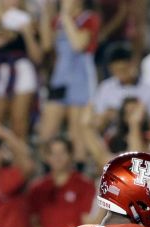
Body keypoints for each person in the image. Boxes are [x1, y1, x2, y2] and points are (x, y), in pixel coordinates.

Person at [39, 0, 101, 151]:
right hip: (60, 77)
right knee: (46, 130)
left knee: (76, 131)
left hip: (81, 79)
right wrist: (46, 13)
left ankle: (79, 169)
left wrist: (65, 16)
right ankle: (47, 168)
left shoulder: (89, 18)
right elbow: (46, 44)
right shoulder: (58, 20)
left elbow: (78, 45)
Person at [0, 0, 44, 140]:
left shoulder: (29, 20)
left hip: (23, 71)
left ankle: (19, 158)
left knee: (19, 122)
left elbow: (38, 58)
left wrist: (27, 34)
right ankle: (19, 152)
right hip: (1, 73)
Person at [27, 138, 96, 227]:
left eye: (62, 153)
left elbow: (87, 222)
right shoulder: (38, 188)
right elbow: (33, 221)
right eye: (53, 153)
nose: (57, 158)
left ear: (70, 155)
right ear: (46, 157)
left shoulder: (84, 185)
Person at [92, 42, 150, 132]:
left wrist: (124, 116)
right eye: (116, 70)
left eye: (124, 69)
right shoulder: (105, 87)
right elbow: (98, 122)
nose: (121, 74)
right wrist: (106, 116)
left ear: (133, 64)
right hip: (113, 137)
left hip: (141, 134)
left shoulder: (149, 89)